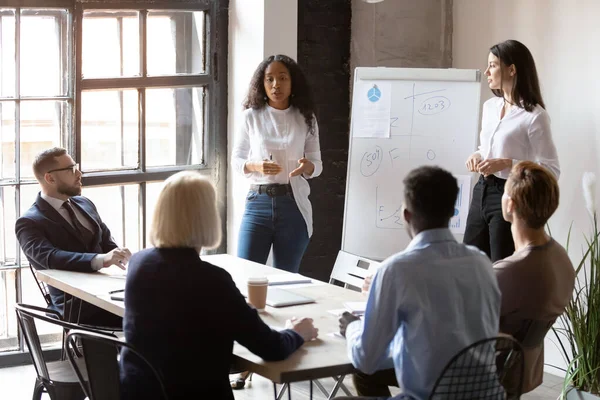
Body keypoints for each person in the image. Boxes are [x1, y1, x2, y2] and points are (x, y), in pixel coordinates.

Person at [119, 171, 319, 400]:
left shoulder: (138, 263)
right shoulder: (212, 280)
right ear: (206, 217)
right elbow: (271, 349)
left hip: (139, 392)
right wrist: (297, 332)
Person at [336, 166, 502, 400]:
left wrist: (352, 326)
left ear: (406, 214)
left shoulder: (396, 270)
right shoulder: (482, 263)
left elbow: (365, 358)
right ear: (452, 212)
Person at [463, 39, 560, 262]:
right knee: (469, 265)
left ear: (512, 70)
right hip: (482, 190)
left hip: (509, 195)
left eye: (493, 65)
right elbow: (486, 148)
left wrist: (509, 164)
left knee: (501, 266)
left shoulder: (534, 116)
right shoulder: (490, 107)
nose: (486, 71)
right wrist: (478, 156)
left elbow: (551, 170)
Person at [15, 147, 130, 327]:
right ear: (50, 178)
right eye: (71, 169)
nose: (79, 173)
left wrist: (130, 260)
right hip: (76, 305)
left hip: (108, 290)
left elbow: (108, 244)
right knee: (149, 316)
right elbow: (50, 257)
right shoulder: (29, 222)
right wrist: (101, 260)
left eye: (76, 167)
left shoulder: (85, 203)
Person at [232, 54, 322, 273]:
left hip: (293, 203)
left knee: (286, 279)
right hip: (258, 203)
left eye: (282, 78)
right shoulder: (250, 117)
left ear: (292, 83)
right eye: (269, 79)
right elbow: (237, 160)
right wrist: (256, 166)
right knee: (247, 274)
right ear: (262, 84)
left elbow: (317, 164)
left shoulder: (305, 118)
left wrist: (306, 167)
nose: (276, 85)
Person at [494, 161, 575, 395]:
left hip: (481, 375)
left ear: (510, 204)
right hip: (519, 373)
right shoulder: (561, 258)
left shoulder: (510, 271)